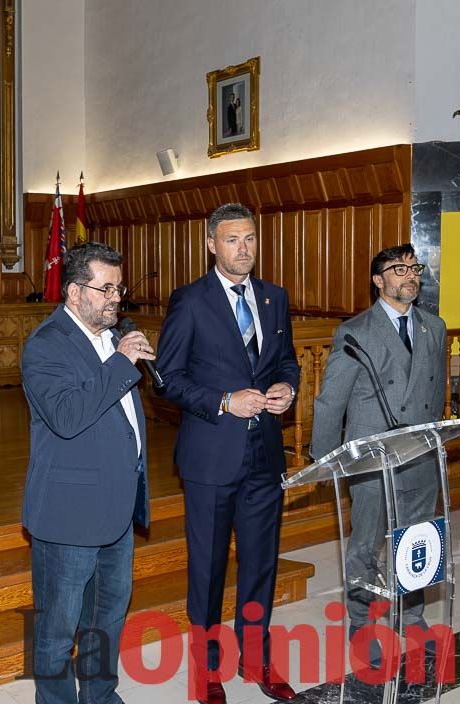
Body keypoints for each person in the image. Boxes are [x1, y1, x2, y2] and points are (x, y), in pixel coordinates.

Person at [157, 203, 300, 704]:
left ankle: (257, 661)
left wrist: (287, 388)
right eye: (234, 240)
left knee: (261, 565)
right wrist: (223, 401)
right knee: (209, 570)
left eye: (251, 239)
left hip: (264, 455)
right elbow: (167, 379)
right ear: (212, 245)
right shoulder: (190, 301)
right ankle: (206, 670)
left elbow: (286, 361)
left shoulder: (274, 297)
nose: (245, 249)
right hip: (210, 460)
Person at [21, 241, 153, 704]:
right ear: (75, 292)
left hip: (116, 507)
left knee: (106, 618)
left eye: (120, 288)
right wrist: (121, 362)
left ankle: (100, 695)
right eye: (106, 288)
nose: (117, 297)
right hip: (68, 513)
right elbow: (68, 416)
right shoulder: (45, 345)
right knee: (57, 629)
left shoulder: (110, 339)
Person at [310, 244, 447, 667]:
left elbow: (435, 391)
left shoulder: (434, 327)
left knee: (416, 538)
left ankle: (412, 615)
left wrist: (432, 438)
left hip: (418, 454)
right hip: (371, 455)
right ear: (378, 280)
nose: (410, 275)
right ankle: (362, 620)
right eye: (398, 269)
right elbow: (331, 401)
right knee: (367, 542)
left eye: (414, 268)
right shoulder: (356, 331)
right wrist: (326, 457)